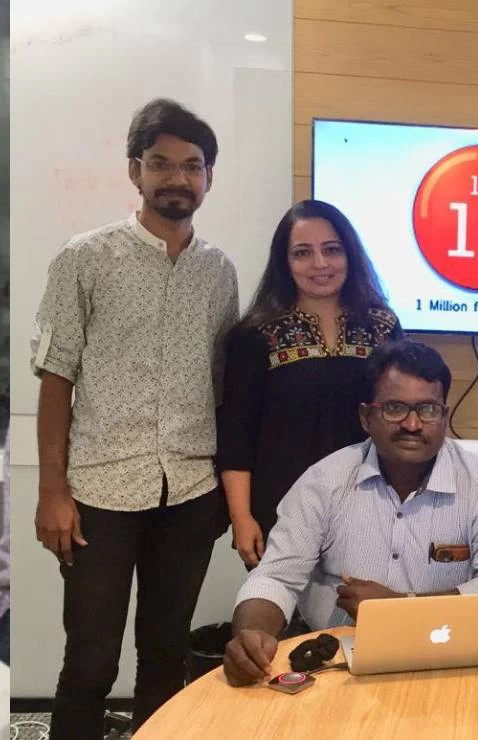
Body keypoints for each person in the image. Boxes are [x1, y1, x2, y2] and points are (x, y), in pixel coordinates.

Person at [31, 98, 237, 739]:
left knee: (166, 655)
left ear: (208, 177)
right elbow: (56, 378)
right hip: (99, 496)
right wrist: (52, 491)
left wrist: (225, 497)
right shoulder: (85, 258)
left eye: (192, 166)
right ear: (135, 171)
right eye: (161, 164)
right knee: (90, 661)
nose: (177, 178)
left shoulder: (219, 272)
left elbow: (222, 386)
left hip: (191, 493)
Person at [222, 340, 478, 686]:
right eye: (395, 408)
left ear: (444, 417)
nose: (412, 424)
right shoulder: (324, 482)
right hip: (335, 663)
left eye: (428, 409)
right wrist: (252, 631)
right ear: (366, 417)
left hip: (450, 658)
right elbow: (276, 577)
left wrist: (400, 607)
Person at [217, 199, 402, 568]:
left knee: (361, 604)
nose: (320, 264)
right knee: (281, 606)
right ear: (284, 262)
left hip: (370, 507)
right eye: (303, 253)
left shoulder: (382, 328)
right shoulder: (256, 334)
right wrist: (241, 518)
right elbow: (237, 436)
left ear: (349, 255)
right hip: (281, 510)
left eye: (332, 250)